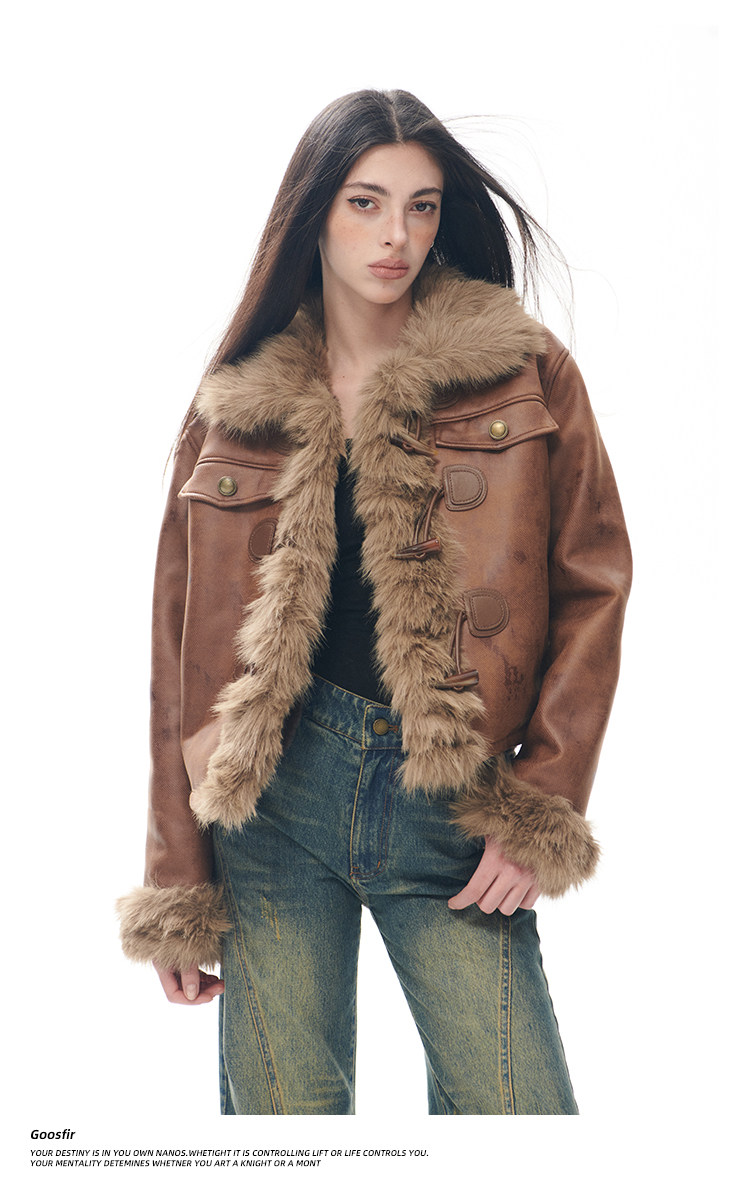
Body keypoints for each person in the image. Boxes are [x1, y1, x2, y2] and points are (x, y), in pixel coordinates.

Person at [117, 89, 631, 1115]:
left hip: (450, 793)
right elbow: (181, 646)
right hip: (273, 802)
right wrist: (178, 872)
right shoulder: (237, 400)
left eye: (421, 206)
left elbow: (594, 579)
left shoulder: (521, 369)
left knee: (520, 1120)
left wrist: (544, 797)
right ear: (313, 211)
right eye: (366, 202)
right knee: (287, 1144)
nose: (397, 234)